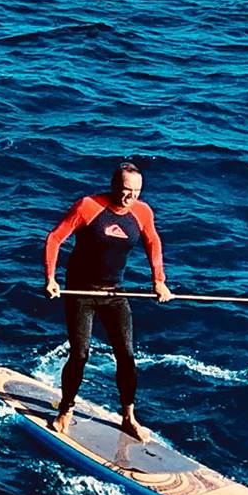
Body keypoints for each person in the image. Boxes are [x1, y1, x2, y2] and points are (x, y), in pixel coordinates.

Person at [43, 160, 172, 442]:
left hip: (115, 292)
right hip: (82, 292)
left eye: (136, 192)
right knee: (80, 354)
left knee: (126, 356)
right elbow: (54, 239)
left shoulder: (142, 212)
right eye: (126, 190)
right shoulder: (88, 206)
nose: (130, 197)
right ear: (114, 186)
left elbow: (153, 242)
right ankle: (65, 409)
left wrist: (158, 281)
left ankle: (128, 417)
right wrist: (51, 278)